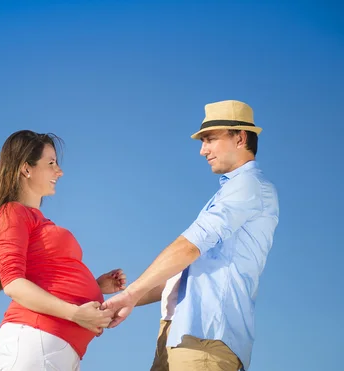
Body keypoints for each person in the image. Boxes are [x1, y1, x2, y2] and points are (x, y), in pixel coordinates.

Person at [102, 100, 279, 371]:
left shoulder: (248, 186)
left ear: (240, 137)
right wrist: (125, 297)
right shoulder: (229, 193)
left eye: (209, 139)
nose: (202, 150)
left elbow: (188, 247)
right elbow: (181, 275)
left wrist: (130, 295)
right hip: (177, 338)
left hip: (204, 342)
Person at [0, 130, 126, 371]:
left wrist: (94, 287)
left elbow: (44, 273)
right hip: (37, 339)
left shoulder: (37, 219)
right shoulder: (13, 212)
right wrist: (75, 313)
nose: (59, 172)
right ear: (26, 169)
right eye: (51, 163)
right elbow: (14, 284)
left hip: (55, 347)